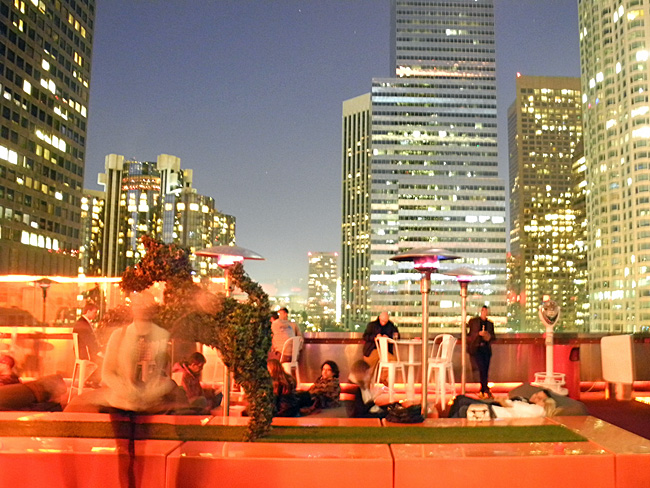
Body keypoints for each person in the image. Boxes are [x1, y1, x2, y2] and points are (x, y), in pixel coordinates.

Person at [101, 292, 177, 413]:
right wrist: (128, 392)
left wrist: (152, 394)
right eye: (138, 304)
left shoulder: (163, 336)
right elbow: (107, 372)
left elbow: (168, 375)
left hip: (152, 408)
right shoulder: (119, 335)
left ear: (153, 308)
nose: (142, 308)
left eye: (146, 304)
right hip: (121, 405)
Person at [449, 389, 557, 419]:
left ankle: (449, 425)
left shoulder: (537, 410)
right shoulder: (530, 405)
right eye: (537, 395)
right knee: (461, 401)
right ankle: (448, 423)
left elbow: (513, 406)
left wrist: (503, 401)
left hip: (496, 410)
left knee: (463, 407)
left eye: (540, 399)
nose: (536, 398)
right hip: (495, 407)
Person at [467, 305, 496, 399]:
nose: (484, 313)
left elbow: (493, 337)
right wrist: (478, 334)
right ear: (481, 311)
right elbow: (469, 334)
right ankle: (484, 389)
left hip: (486, 349)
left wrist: (488, 336)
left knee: (485, 369)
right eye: (483, 311)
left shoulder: (490, 324)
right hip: (476, 348)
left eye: (486, 311)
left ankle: (484, 389)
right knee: (481, 368)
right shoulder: (474, 322)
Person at [73, 302, 103, 387]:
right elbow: (88, 341)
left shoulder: (82, 322)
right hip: (85, 353)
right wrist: (98, 352)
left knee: (104, 360)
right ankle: (92, 381)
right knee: (105, 362)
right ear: (88, 311)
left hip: (85, 351)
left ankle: (92, 381)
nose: (96, 315)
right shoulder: (82, 323)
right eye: (94, 312)